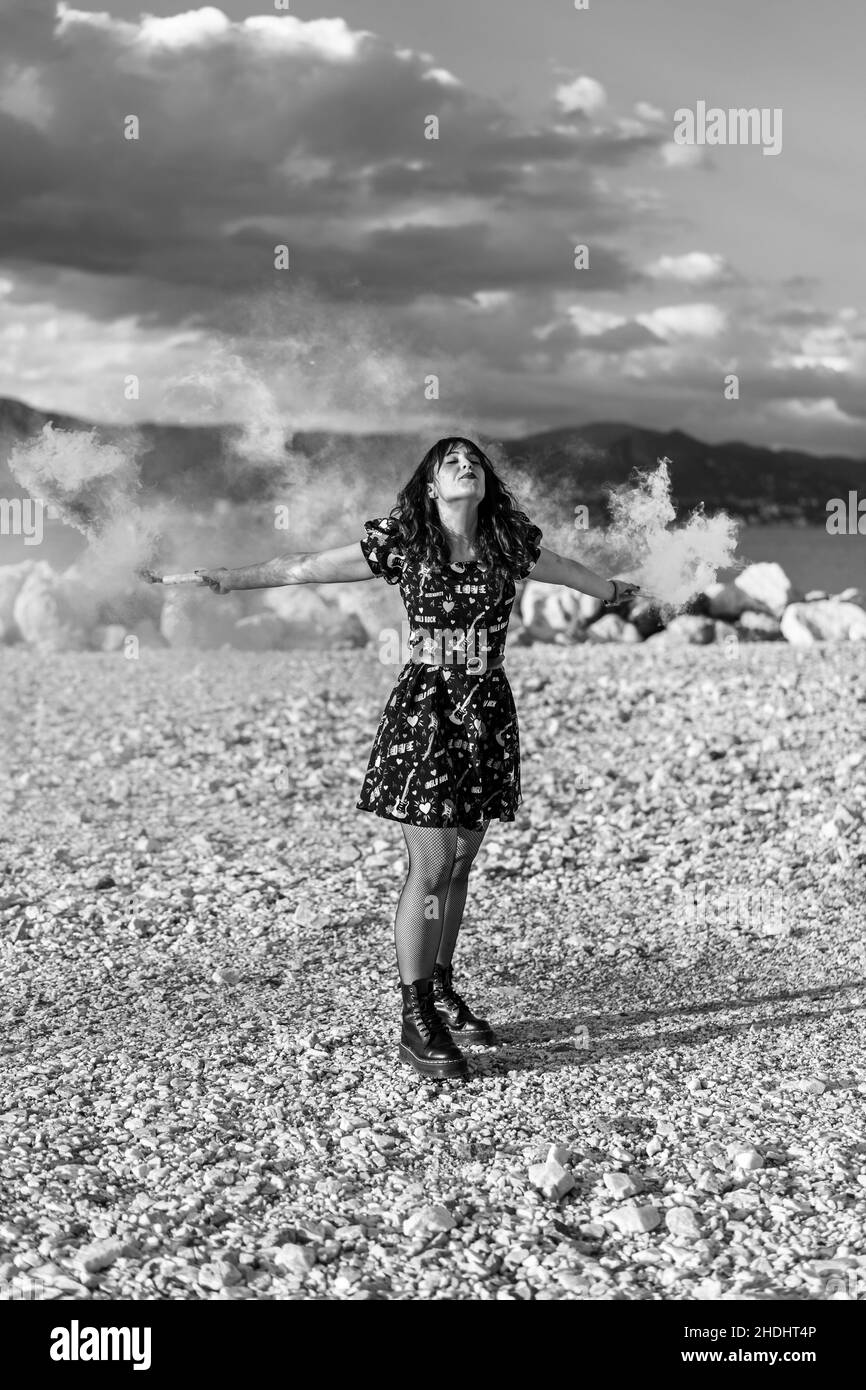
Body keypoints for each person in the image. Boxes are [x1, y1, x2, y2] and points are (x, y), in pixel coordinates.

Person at [194, 436, 639, 1081]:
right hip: (426, 712)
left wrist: (612, 589)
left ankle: (440, 986)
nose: (467, 466)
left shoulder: (508, 543)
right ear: (430, 484)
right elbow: (308, 566)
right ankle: (413, 1015)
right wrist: (234, 581)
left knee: (460, 861)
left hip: (485, 710)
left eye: (475, 460)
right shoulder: (404, 541)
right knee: (430, 864)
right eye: (450, 461)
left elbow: (569, 571)